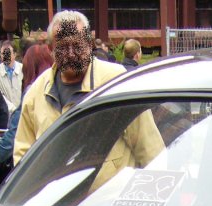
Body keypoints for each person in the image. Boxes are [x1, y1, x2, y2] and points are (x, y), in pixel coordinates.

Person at [13, 10, 127, 163]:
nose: (71, 53)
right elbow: (23, 154)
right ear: (51, 50)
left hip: (110, 186)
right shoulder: (37, 91)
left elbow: (147, 144)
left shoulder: (116, 80)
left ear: (89, 44)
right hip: (55, 186)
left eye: (77, 45)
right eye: (63, 47)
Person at [0, 42, 23, 111]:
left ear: (14, 54)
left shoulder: (23, 68)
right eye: (3, 54)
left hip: (23, 113)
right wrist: (13, 110)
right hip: (6, 114)